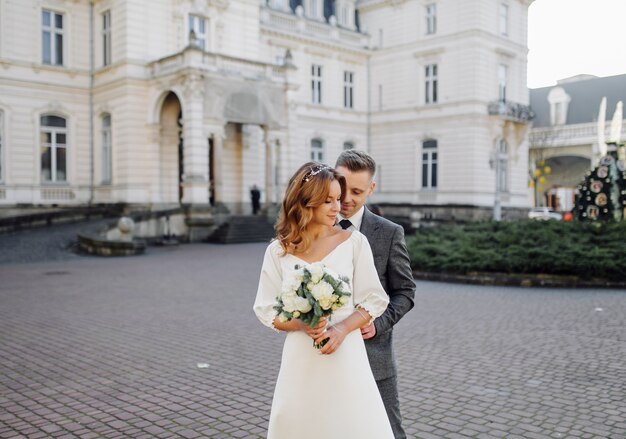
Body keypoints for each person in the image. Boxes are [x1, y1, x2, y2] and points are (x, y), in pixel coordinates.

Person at [253, 162, 394, 439]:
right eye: (327, 201)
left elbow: (375, 299)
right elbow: (266, 309)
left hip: (346, 353)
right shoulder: (278, 251)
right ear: (305, 203)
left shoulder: (355, 243)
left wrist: (342, 329)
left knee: (351, 423)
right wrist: (302, 324)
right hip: (301, 357)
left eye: (337, 199)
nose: (336, 207)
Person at [335, 150, 416, 439]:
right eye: (342, 187)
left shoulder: (389, 232)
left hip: (375, 356)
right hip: (328, 358)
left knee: (389, 432)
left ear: (371, 189)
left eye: (357, 191)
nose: (346, 198)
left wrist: (378, 325)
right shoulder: (315, 229)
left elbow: (405, 292)